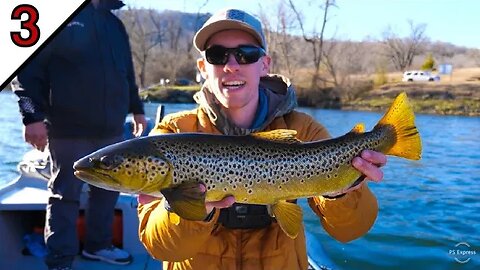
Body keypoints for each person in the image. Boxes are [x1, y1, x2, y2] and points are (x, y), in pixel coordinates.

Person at [137, 8, 387, 270]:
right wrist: (188, 210)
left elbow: (350, 230)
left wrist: (342, 194)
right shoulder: (172, 134)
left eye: (246, 55)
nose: (231, 66)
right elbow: (162, 247)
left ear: (264, 64)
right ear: (203, 67)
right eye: (217, 55)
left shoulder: (303, 130)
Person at [12, 0, 147, 269]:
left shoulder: (115, 24)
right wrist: (32, 118)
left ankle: (98, 246)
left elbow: (127, 74)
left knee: (108, 191)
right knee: (64, 194)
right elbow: (25, 72)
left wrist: (137, 109)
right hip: (66, 128)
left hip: (112, 128)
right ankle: (60, 257)